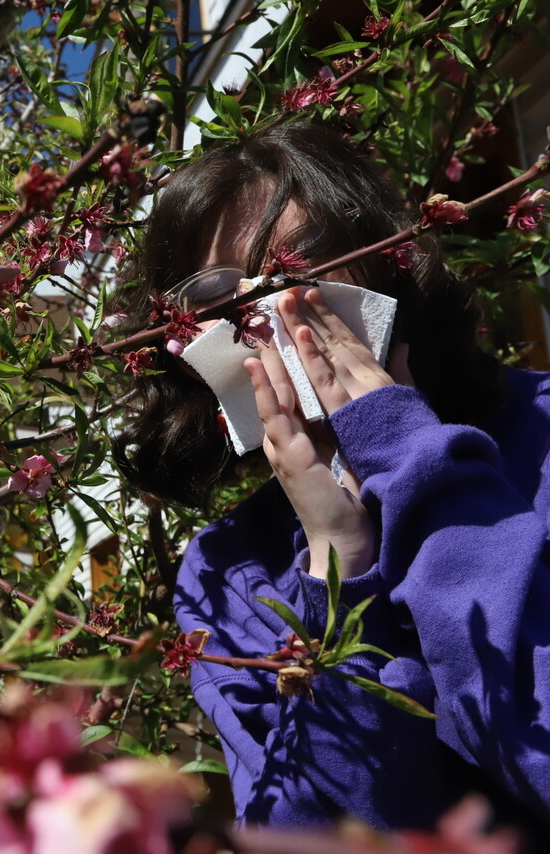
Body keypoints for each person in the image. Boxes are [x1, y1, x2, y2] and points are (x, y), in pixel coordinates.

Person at [112, 122, 550, 838]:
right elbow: (314, 832)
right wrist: (337, 565)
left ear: (388, 268)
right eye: (223, 297)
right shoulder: (227, 574)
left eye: (302, 268)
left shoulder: (542, 433)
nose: (274, 308)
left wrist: (411, 458)